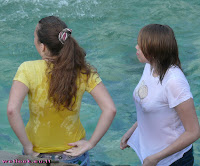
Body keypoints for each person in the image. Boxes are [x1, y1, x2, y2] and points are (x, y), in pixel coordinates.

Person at [7, 16, 116, 166]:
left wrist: (27, 147)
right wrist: (90, 143)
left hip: (38, 155)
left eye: (34, 37)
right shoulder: (83, 70)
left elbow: (12, 110)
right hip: (74, 155)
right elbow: (110, 109)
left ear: (43, 46)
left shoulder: (27, 69)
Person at [120, 24, 200, 166]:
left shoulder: (174, 82)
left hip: (173, 160)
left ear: (153, 50)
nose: (136, 47)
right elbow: (154, 109)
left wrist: (156, 157)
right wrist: (132, 131)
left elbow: (193, 132)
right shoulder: (150, 66)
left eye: (140, 45)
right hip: (151, 155)